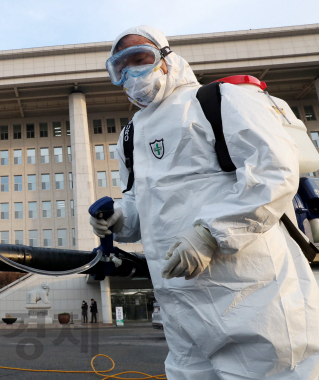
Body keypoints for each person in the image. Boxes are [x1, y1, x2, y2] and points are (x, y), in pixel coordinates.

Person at [91, 25, 319, 379]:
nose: (131, 74)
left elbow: (276, 171)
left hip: (254, 295)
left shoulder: (222, 99)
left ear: (166, 58)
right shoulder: (131, 134)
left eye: (141, 59)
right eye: (120, 68)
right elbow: (139, 205)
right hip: (179, 304)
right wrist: (118, 219)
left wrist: (212, 233)